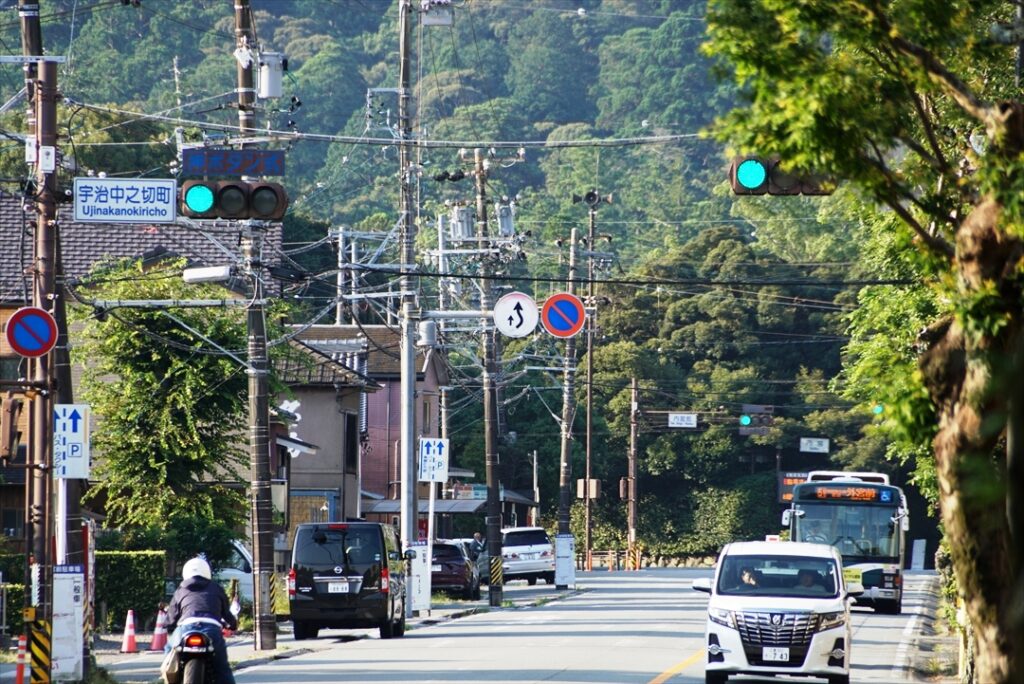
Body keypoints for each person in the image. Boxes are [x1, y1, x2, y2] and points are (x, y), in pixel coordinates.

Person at [166, 556, 238, 684]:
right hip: (211, 629)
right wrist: (232, 625)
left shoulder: (180, 590)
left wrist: (170, 627)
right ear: (207, 571)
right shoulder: (217, 588)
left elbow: (172, 616)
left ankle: (169, 679)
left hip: (185, 628)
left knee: (168, 648)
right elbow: (226, 613)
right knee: (223, 668)